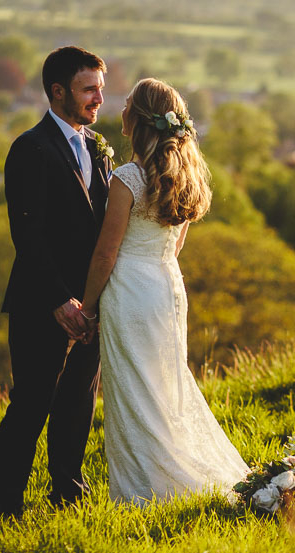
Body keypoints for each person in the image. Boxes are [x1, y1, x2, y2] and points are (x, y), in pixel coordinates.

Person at [78, 78, 249, 505]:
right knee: (163, 384)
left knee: (137, 388)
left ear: (137, 119)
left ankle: (150, 489)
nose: (119, 109)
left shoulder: (128, 178)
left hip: (130, 289)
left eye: (127, 103)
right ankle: (165, 474)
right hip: (167, 283)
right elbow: (176, 243)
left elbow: (105, 254)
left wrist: (88, 307)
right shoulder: (183, 172)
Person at [0, 46, 111, 517]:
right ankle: (6, 507)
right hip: (42, 303)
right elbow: (28, 234)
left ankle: (67, 494)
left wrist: (93, 300)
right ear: (57, 91)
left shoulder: (96, 148)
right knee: (31, 404)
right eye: (88, 90)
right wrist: (60, 300)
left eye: (100, 89)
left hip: (92, 305)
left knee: (78, 403)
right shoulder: (30, 148)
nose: (98, 99)